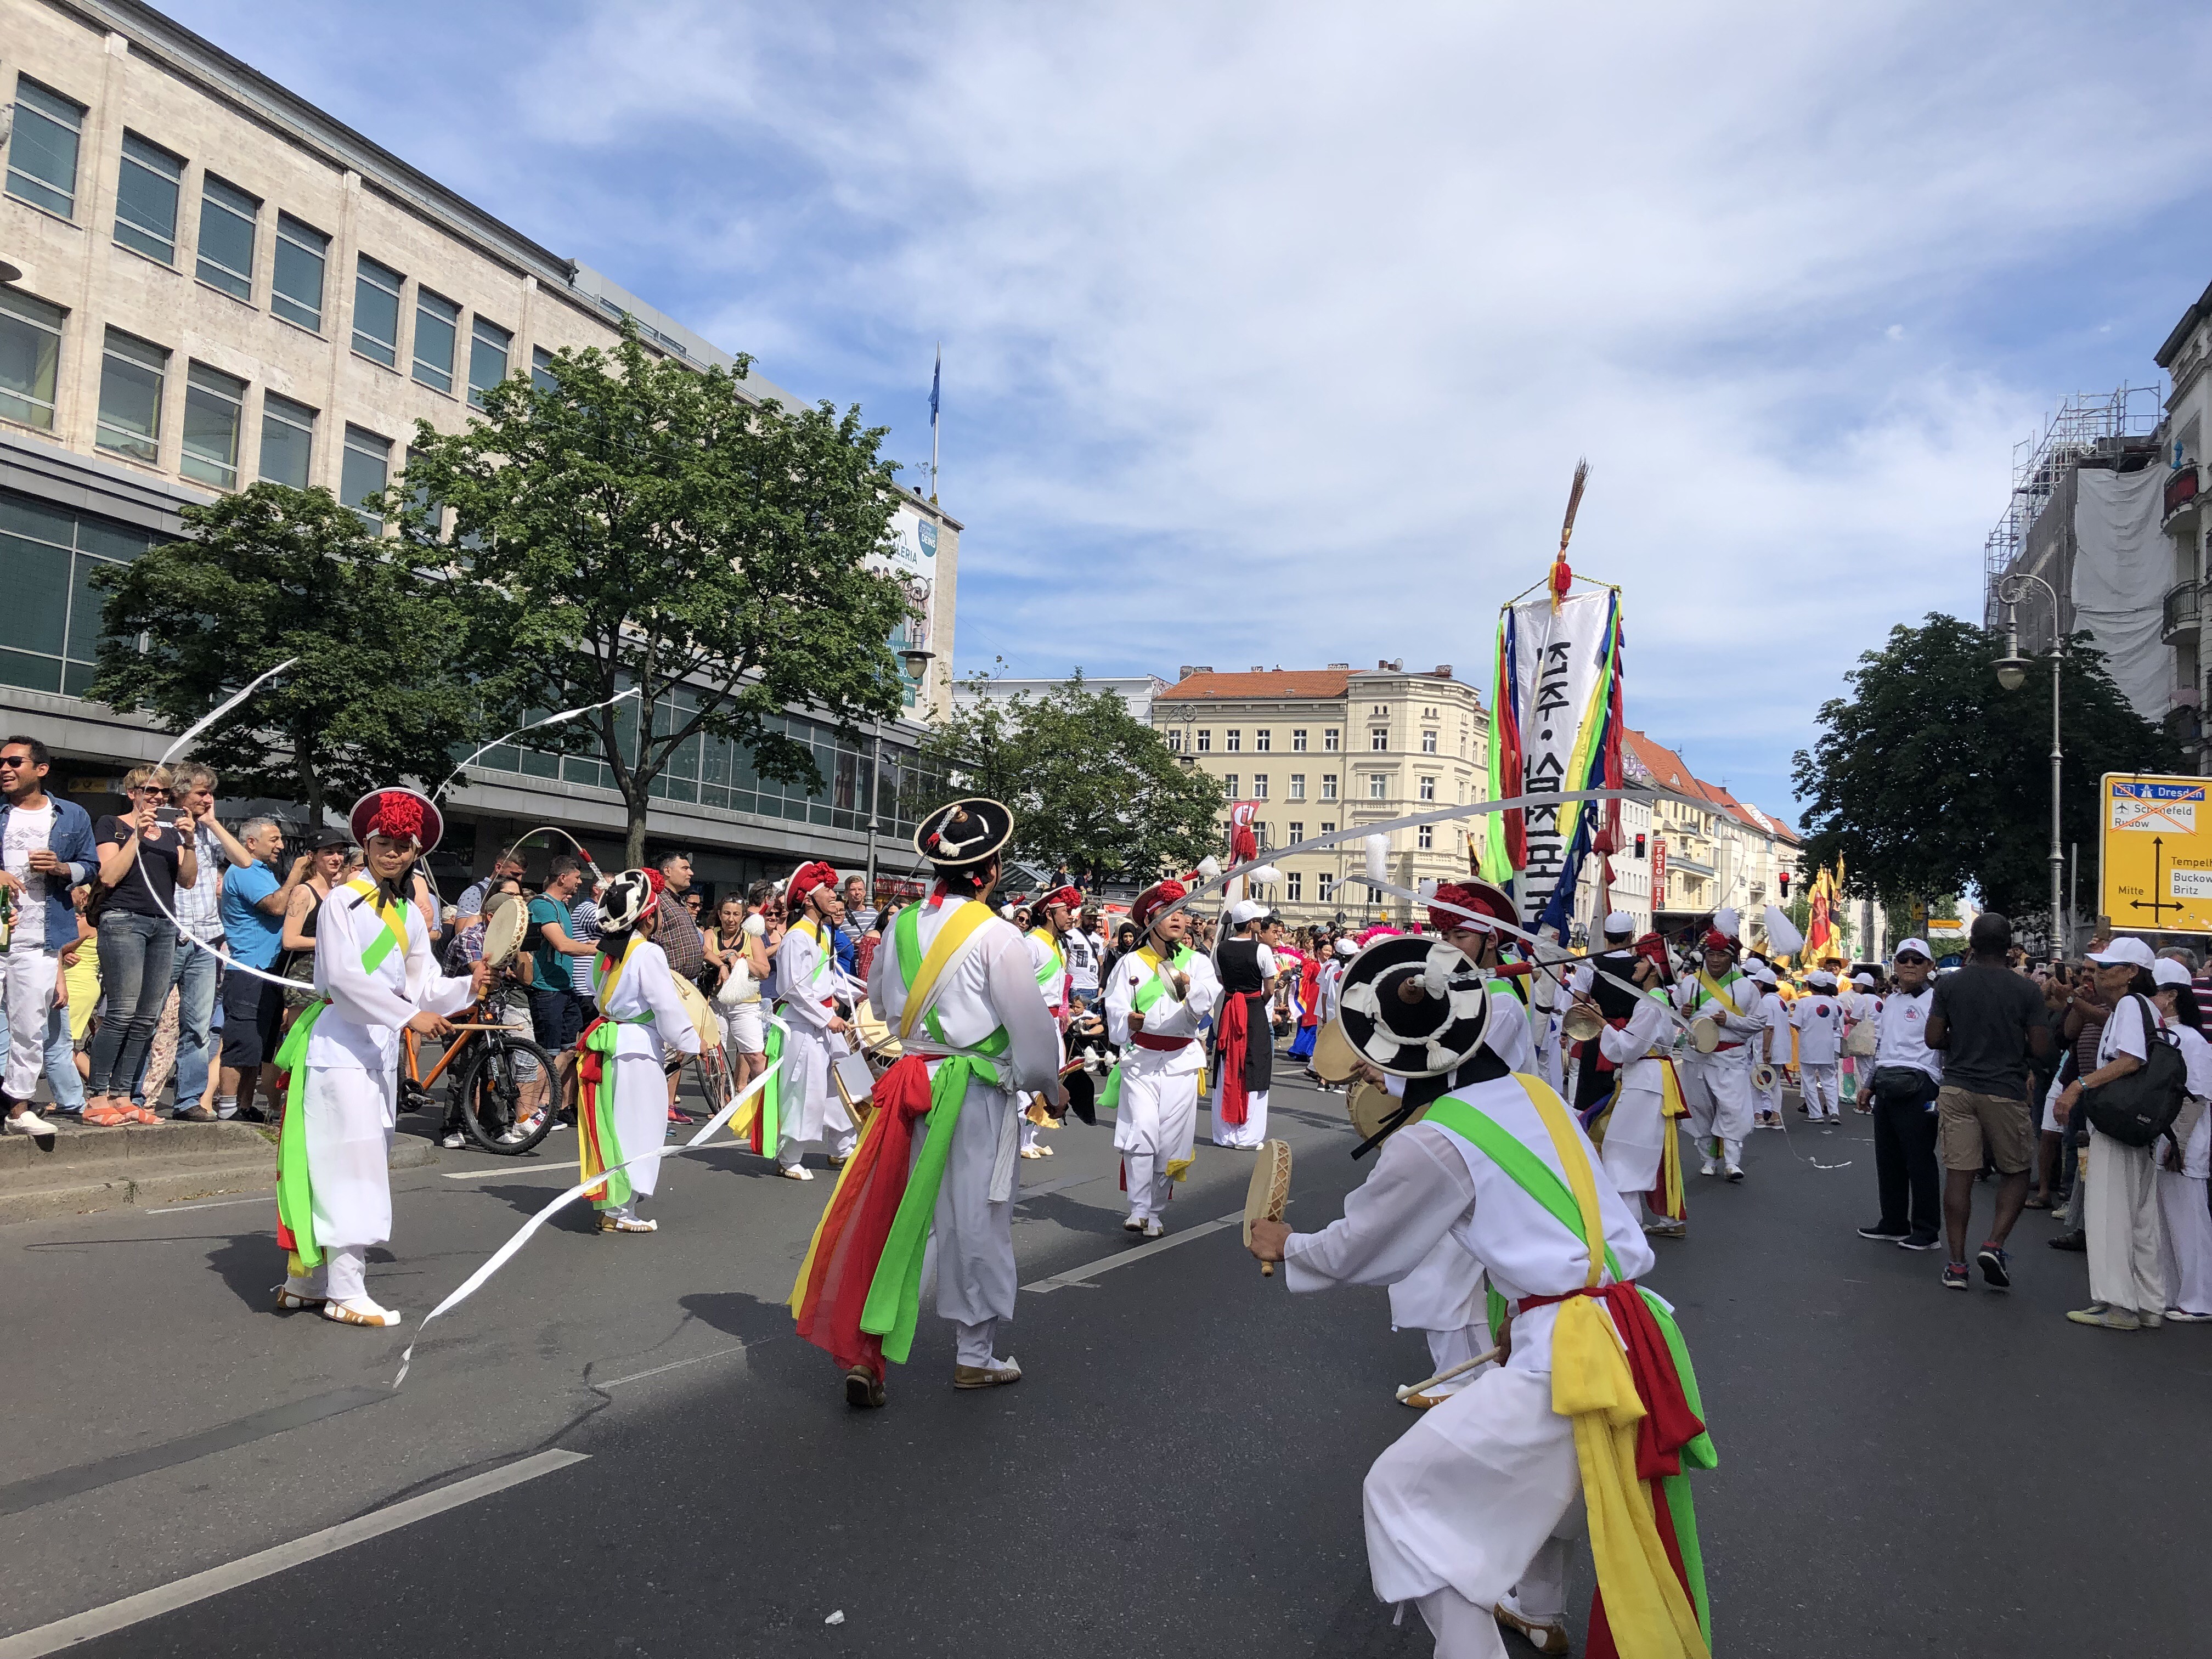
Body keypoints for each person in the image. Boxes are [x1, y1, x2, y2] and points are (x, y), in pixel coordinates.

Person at [1246, 997, 1715, 1659]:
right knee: (1562, 1491)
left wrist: (1288, 1243)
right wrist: (1523, 1318)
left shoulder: (1435, 1137)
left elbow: (1363, 1247)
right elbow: (1569, 1222)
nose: (1372, 1080)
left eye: (1374, 1063)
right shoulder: (1536, 1093)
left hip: (1570, 1354)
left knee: (1401, 1498)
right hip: (1634, 1330)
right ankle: (1540, 1611)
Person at [791, 796, 1063, 1407]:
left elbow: (882, 1011)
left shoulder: (902, 925)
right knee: (978, 1220)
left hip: (914, 1085)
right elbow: (1033, 1032)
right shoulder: (997, 936)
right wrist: (1050, 1084)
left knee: (901, 1214)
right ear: (990, 870)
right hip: (974, 1095)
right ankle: (975, 1355)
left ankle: (870, 1348)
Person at [274, 789, 487, 1326]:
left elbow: (424, 986)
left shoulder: (411, 917)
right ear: (366, 846)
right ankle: (345, 1290)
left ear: (416, 851)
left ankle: (307, 1282)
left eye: (402, 845)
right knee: (351, 1166)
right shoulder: (341, 902)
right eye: (383, 842)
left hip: (376, 1052)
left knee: (349, 1160)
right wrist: (406, 1016)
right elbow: (342, 979)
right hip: (338, 1048)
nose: (392, 852)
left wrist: (467, 987)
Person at [1923, 912, 2051, 1292]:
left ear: (1972, 946)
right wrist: (2016, 1046)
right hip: (2005, 1089)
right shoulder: (2027, 991)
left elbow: (1933, 1038)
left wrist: (1961, 1041)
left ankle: (1957, 1265)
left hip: (1958, 1087)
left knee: (1960, 1174)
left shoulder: (1950, 986)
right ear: (2011, 949)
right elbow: (2042, 1048)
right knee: (2015, 1172)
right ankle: (1994, 1245)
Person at [575, 869, 703, 1233]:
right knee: (638, 1129)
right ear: (650, 916)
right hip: (637, 1050)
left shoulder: (607, 951)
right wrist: (695, 1043)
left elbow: (592, 989)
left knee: (613, 1126)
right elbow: (667, 1007)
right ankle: (620, 1211)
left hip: (609, 1044)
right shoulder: (647, 952)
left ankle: (613, 1204)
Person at [2059, 937, 2174, 1330]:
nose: (2100, 973)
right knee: (2141, 1218)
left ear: (2131, 973)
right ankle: (2148, 1303)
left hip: (2116, 1120)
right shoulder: (2147, 1009)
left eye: (2109, 967)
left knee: (2109, 1213)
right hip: (2141, 1124)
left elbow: (2129, 1060)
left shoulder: (2128, 1006)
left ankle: (2118, 1305)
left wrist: (2079, 1086)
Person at [1103, 878, 1221, 1237]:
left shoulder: (1197, 962)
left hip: (1181, 1062)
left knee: (1169, 1142)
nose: (1178, 919)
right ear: (1151, 920)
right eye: (1169, 913)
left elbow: (1209, 1002)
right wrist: (1129, 1020)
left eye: (1182, 913)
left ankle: (1156, 1212)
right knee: (1141, 1131)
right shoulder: (1130, 964)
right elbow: (1115, 1006)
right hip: (1141, 1060)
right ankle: (1138, 1209)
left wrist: (1189, 986)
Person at [84, 765, 196, 1126]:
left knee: (148, 1016)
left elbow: (188, 880)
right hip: (123, 920)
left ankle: (122, 1095)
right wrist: (136, 834)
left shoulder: (169, 833)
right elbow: (108, 875)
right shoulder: (111, 824)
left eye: (162, 793)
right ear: (132, 792)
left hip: (163, 924)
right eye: (150, 791)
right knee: (122, 1010)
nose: (157, 798)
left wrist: (190, 843)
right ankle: (97, 1096)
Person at [1, 736, 98, 1141]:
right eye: (2, 763)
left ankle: (19, 1109)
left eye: (14, 762)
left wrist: (61, 869)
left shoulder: (72, 815)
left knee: (29, 1028)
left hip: (40, 939)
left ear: (41, 769)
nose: (5, 769)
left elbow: (91, 866)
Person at [153, 764, 240, 1120]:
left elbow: (244, 861)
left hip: (206, 938)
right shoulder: (159, 824)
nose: (209, 798)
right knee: (151, 1018)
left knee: (199, 1024)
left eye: (210, 792)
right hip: (169, 933)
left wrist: (213, 822)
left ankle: (188, 1100)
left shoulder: (208, 831)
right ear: (180, 792)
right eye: (202, 792)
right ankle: (135, 1093)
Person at [216, 817, 311, 1124]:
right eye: (274, 840)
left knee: (260, 1044)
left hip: (269, 971)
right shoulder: (244, 870)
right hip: (248, 970)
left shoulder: (264, 872)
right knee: (241, 1040)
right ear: (251, 843)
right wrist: (296, 874)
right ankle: (228, 1106)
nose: (281, 846)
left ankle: (245, 1104)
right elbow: (275, 906)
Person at [768, 860, 859, 1179]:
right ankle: (789, 1157)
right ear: (808, 899)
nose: (835, 896)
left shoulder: (821, 933)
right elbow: (792, 988)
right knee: (805, 1089)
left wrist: (858, 996)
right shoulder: (797, 937)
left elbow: (830, 979)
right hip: (805, 1026)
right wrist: (826, 1017)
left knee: (847, 1081)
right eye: (828, 892)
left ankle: (844, 1146)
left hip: (824, 1021)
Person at [1858, 940, 1944, 1252]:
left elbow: (1945, 1045)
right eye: (1903, 959)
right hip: (1887, 1083)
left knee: (1919, 1159)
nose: (1910, 964)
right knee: (1888, 1158)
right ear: (1895, 965)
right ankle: (1893, 1222)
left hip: (1921, 1083)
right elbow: (1883, 1046)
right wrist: (1870, 1083)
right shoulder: (1891, 1002)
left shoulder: (1937, 1000)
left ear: (1929, 966)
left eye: (1917, 960)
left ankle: (1927, 1231)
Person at [2146, 960, 2212, 1322]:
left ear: (2171, 997)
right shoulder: (2163, 1035)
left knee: (2190, 1219)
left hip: (2182, 1145)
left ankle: (2200, 1298)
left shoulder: (2191, 1040)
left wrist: (2179, 1144)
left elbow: (2197, 1097)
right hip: (2164, 1141)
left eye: (2153, 992)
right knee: (2166, 1221)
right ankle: (2173, 1293)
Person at [1673, 926, 1760, 1181]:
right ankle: (1708, 1160)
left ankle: (1733, 1162)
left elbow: (1758, 1023)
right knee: (1700, 1109)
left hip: (1730, 1059)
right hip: (1696, 1058)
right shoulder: (1689, 983)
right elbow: (1673, 1021)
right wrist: (1682, 1015)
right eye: (1711, 954)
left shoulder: (1746, 988)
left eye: (1721, 955)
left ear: (1731, 957)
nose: (1715, 959)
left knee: (1732, 1109)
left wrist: (1731, 1021)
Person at [1019, 884, 1082, 1159]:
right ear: (1048, 913)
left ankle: (1031, 1138)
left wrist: (1066, 1010)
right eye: (1066, 911)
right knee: (1034, 1079)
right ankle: (1021, 1139)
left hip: (1054, 1019)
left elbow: (1060, 987)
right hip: (1035, 1019)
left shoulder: (1058, 945)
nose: (1072, 916)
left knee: (1053, 1076)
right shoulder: (1032, 944)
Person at [1211, 898, 1279, 1150]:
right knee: (1255, 1063)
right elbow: (1270, 988)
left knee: (1227, 1061)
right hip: (1253, 1009)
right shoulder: (1262, 950)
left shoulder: (1220, 949)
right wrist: (1256, 1000)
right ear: (1251, 925)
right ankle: (1248, 1136)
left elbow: (1220, 979)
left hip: (1230, 1007)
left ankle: (1225, 1134)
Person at [524, 856, 596, 1053]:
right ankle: (543, 1085)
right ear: (563, 878)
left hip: (565, 989)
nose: (581, 882)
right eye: (577, 877)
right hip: (547, 991)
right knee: (548, 1055)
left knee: (571, 1051)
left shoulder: (562, 905)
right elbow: (562, 945)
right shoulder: (543, 905)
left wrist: (586, 945)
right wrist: (597, 949)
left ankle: (561, 1085)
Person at [1790, 971, 1846, 1124]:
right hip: (1827, 1045)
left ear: (1810, 985)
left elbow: (1796, 1023)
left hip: (1808, 1046)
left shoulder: (1803, 1003)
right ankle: (1834, 1112)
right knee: (1829, 1080)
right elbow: (1836, 1025)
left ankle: (1816, 1114)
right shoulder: (1834, 1004)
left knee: (1809, 1080)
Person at [1751, 966, 1788, 1129]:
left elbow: (1769, 1028)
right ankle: (1776, 1116)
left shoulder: (1766, 1001)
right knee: (1774, 1084)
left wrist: (1766, 1051)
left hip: (1768, 1049)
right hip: (1780, 1048)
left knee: (1755, 1082)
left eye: (1756, 982)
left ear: (1761, 984)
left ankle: (1758, 1116)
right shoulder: (1780, 1000)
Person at [454, 846, 527, 926]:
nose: (519, 879)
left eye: (522, 875)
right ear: (499, 868)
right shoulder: (475, 893)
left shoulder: (516, 892)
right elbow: (462, 933)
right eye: (515, 874)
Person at [1064, 906, 1102, 1013]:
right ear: (1082, 918)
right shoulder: (1071, 935)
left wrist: (1100, 986)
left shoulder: (1098, 939)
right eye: (1089, 919)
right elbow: (1066, 959)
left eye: (1094, 919)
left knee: (1090, 1021)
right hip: (1076, 986)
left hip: (1093, 987)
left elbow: (1100, 962)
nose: (1092, 922)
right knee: (1077, 1021)